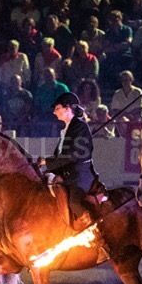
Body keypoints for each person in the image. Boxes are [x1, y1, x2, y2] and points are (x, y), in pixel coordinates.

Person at [41, 92, 101, 225]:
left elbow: (71, 155)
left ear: (68, 108)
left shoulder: (80, 127)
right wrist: (46, 163)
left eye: (57, 108)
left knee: (74, 202)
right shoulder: (66, 129)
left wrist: (47, 162)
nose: (54, 112)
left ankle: (92, 228)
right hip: (68, 172)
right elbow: (60, 156)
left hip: (80, 174)